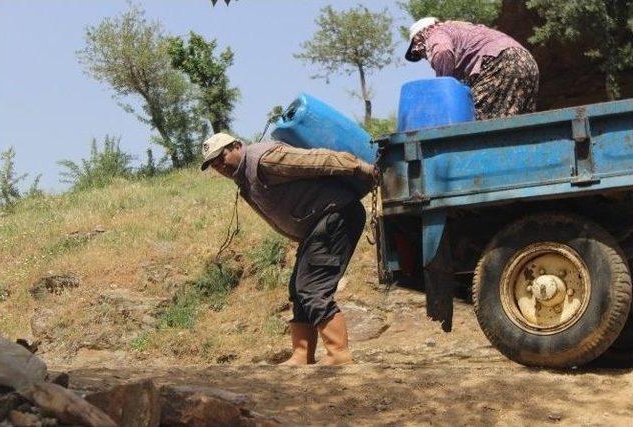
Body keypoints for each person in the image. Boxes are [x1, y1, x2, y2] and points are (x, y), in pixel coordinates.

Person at [201, 132, 375, 365]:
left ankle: (339, 355)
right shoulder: (245, 177)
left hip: (336, 214)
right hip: (318, 223)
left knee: (312, 287)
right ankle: (302, 355)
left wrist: (363, 168)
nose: (218, 165)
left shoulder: (264, 159)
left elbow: (318, 159)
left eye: (220, 156)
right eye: (213, 164)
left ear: (236, 146)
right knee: (298, 288)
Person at [405, 17, 539, 120]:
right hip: (526, 61)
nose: (424, 57)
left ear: (418, 39)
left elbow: (443, 51)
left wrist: (444, 89)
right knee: (519, 121)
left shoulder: (434, 33)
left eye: (420, 53)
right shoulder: (459, 27)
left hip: (500, 62)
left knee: (473, 117)